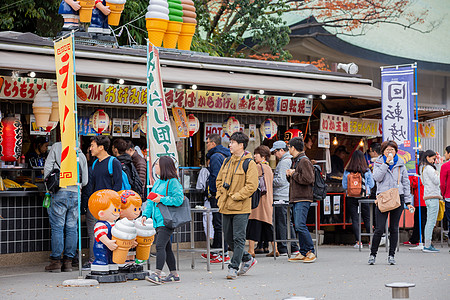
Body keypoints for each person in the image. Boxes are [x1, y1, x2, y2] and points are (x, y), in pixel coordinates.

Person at [216, 132, 258, 279]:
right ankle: (247, 258)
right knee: (228, 238)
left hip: (241, 206)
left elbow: (252, 185)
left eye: (233, 142)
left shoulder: (249, 163)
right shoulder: (227, 161)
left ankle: (234, 267)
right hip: (226, 205)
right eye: (230, 142)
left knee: (239, 237)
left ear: (241, 145)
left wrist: (236, 196)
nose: (230, 145)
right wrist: (221, 193)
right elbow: (219, 180)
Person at [43, 142, 89, 272]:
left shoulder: (57, 147)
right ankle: (68, 262)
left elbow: (47, 168)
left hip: (60, 192)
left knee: (57, 227)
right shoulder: (80, 154)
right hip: (75, 194)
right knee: (72, 227)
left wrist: (49, 187)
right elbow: (85, 181)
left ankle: (56, 261)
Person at [369, 140, 414, 265]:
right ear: (383, 151)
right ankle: (373, 255)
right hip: (383, 197)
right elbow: (377, 177)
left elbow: (406, 183)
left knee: (394, 228)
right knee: (379, 229)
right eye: (387, 150)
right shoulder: (378, 162)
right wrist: (385, 164)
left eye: (392, 150)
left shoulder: (401, 164)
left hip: (397, 197)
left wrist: (408, 201)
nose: (390, 152)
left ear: (396, 151)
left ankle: (391, 255)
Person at [81, 136, 123, 271]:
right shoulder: (94, 164)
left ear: (101, 147)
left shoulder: (113, 162)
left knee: (109, 233)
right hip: (95, 205)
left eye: (92, 145)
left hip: (109, 207)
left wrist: (113, 205)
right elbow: (91, 186)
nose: (90, 148)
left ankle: (110, 260)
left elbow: (118, 185)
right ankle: (94, 260)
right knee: (94, 232)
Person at [142, 156, 184, 284]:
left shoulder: (173, 182)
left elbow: (178, 199)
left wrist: (162, 199)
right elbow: (150, 201)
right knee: (166, 248)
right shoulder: (159, 182)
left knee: (160, 246)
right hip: (158, 220)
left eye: (157, 165)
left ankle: (157, 274)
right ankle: (174, 274)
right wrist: (145, 214)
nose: (155, 167)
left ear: (164, 166)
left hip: (166, 220)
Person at [286, 137, 316, 263]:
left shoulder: (304, 160)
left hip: (303, 198)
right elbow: (297, 180)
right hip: (297, 198)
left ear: (293, 148)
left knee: (300, 225)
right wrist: (290, 175)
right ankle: (303, 252)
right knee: (298, 225)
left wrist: (293, 174)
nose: (288, 149)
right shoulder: (297, 161)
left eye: (289, 147)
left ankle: (310, 251)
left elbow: (309, 179)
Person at [204, 133, 231, 263]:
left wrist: (213, 192)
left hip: (218, 194)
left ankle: (223, 253)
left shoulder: (215, 157)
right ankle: (217, 250)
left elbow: (216, 176)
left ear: (213, 144)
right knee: (220, 223)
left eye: (208, 142)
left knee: (219, 223)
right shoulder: (226, 154)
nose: (207, 145)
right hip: (225, 193)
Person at [271, 140, 300, 256]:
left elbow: (281, 180)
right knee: (288, 221)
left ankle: (284, 247)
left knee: (282, 222)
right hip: (287, 195)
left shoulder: (284, 162)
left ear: (282, 150)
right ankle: (293, 247)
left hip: (281, 196)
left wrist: (270, 180)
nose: (274, 155)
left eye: (275, 152)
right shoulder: (290, 160)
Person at [342, 150, 375, 249]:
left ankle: (358, 242)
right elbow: (372, 184)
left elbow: (344, 185)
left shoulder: (348, 170)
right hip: (364, 196)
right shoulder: (366, 171)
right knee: (367, 218)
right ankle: (370, 242)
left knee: (355, 219)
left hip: (351, 197)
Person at [246, 146, 275, 257]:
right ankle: (275, 248)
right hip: (268, 199)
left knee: (253, 224)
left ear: (262, 156)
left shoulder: (258, 167)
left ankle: (251, 250)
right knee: (268, 225)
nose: (254, 156)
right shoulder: (268, 168)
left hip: (258, 200)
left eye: (256, 154)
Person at [420, 150, 442, 253]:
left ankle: (427, 243)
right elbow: (438, 181)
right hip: (433, 197)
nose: (434, 161)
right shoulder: (429, 168)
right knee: (431, 222)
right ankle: (428, 245)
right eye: (433, 159)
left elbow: (423, 182)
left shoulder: (424, 168)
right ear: (428, 158)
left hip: (428, 197)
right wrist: (438, 172)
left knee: (429, 221)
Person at [405, 151, 426, 246]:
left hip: (421, 197)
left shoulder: (419, 169)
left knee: (420, 219)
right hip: (420, 197)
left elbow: (415, 182)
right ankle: (416, 238)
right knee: (418, 218)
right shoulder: (420, 168)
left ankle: (420, 239)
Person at [440, 146, 450, 239]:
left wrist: (443, 194)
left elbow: (442, 183)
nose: (444, 155)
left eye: (445, 153)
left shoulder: (445, 166)